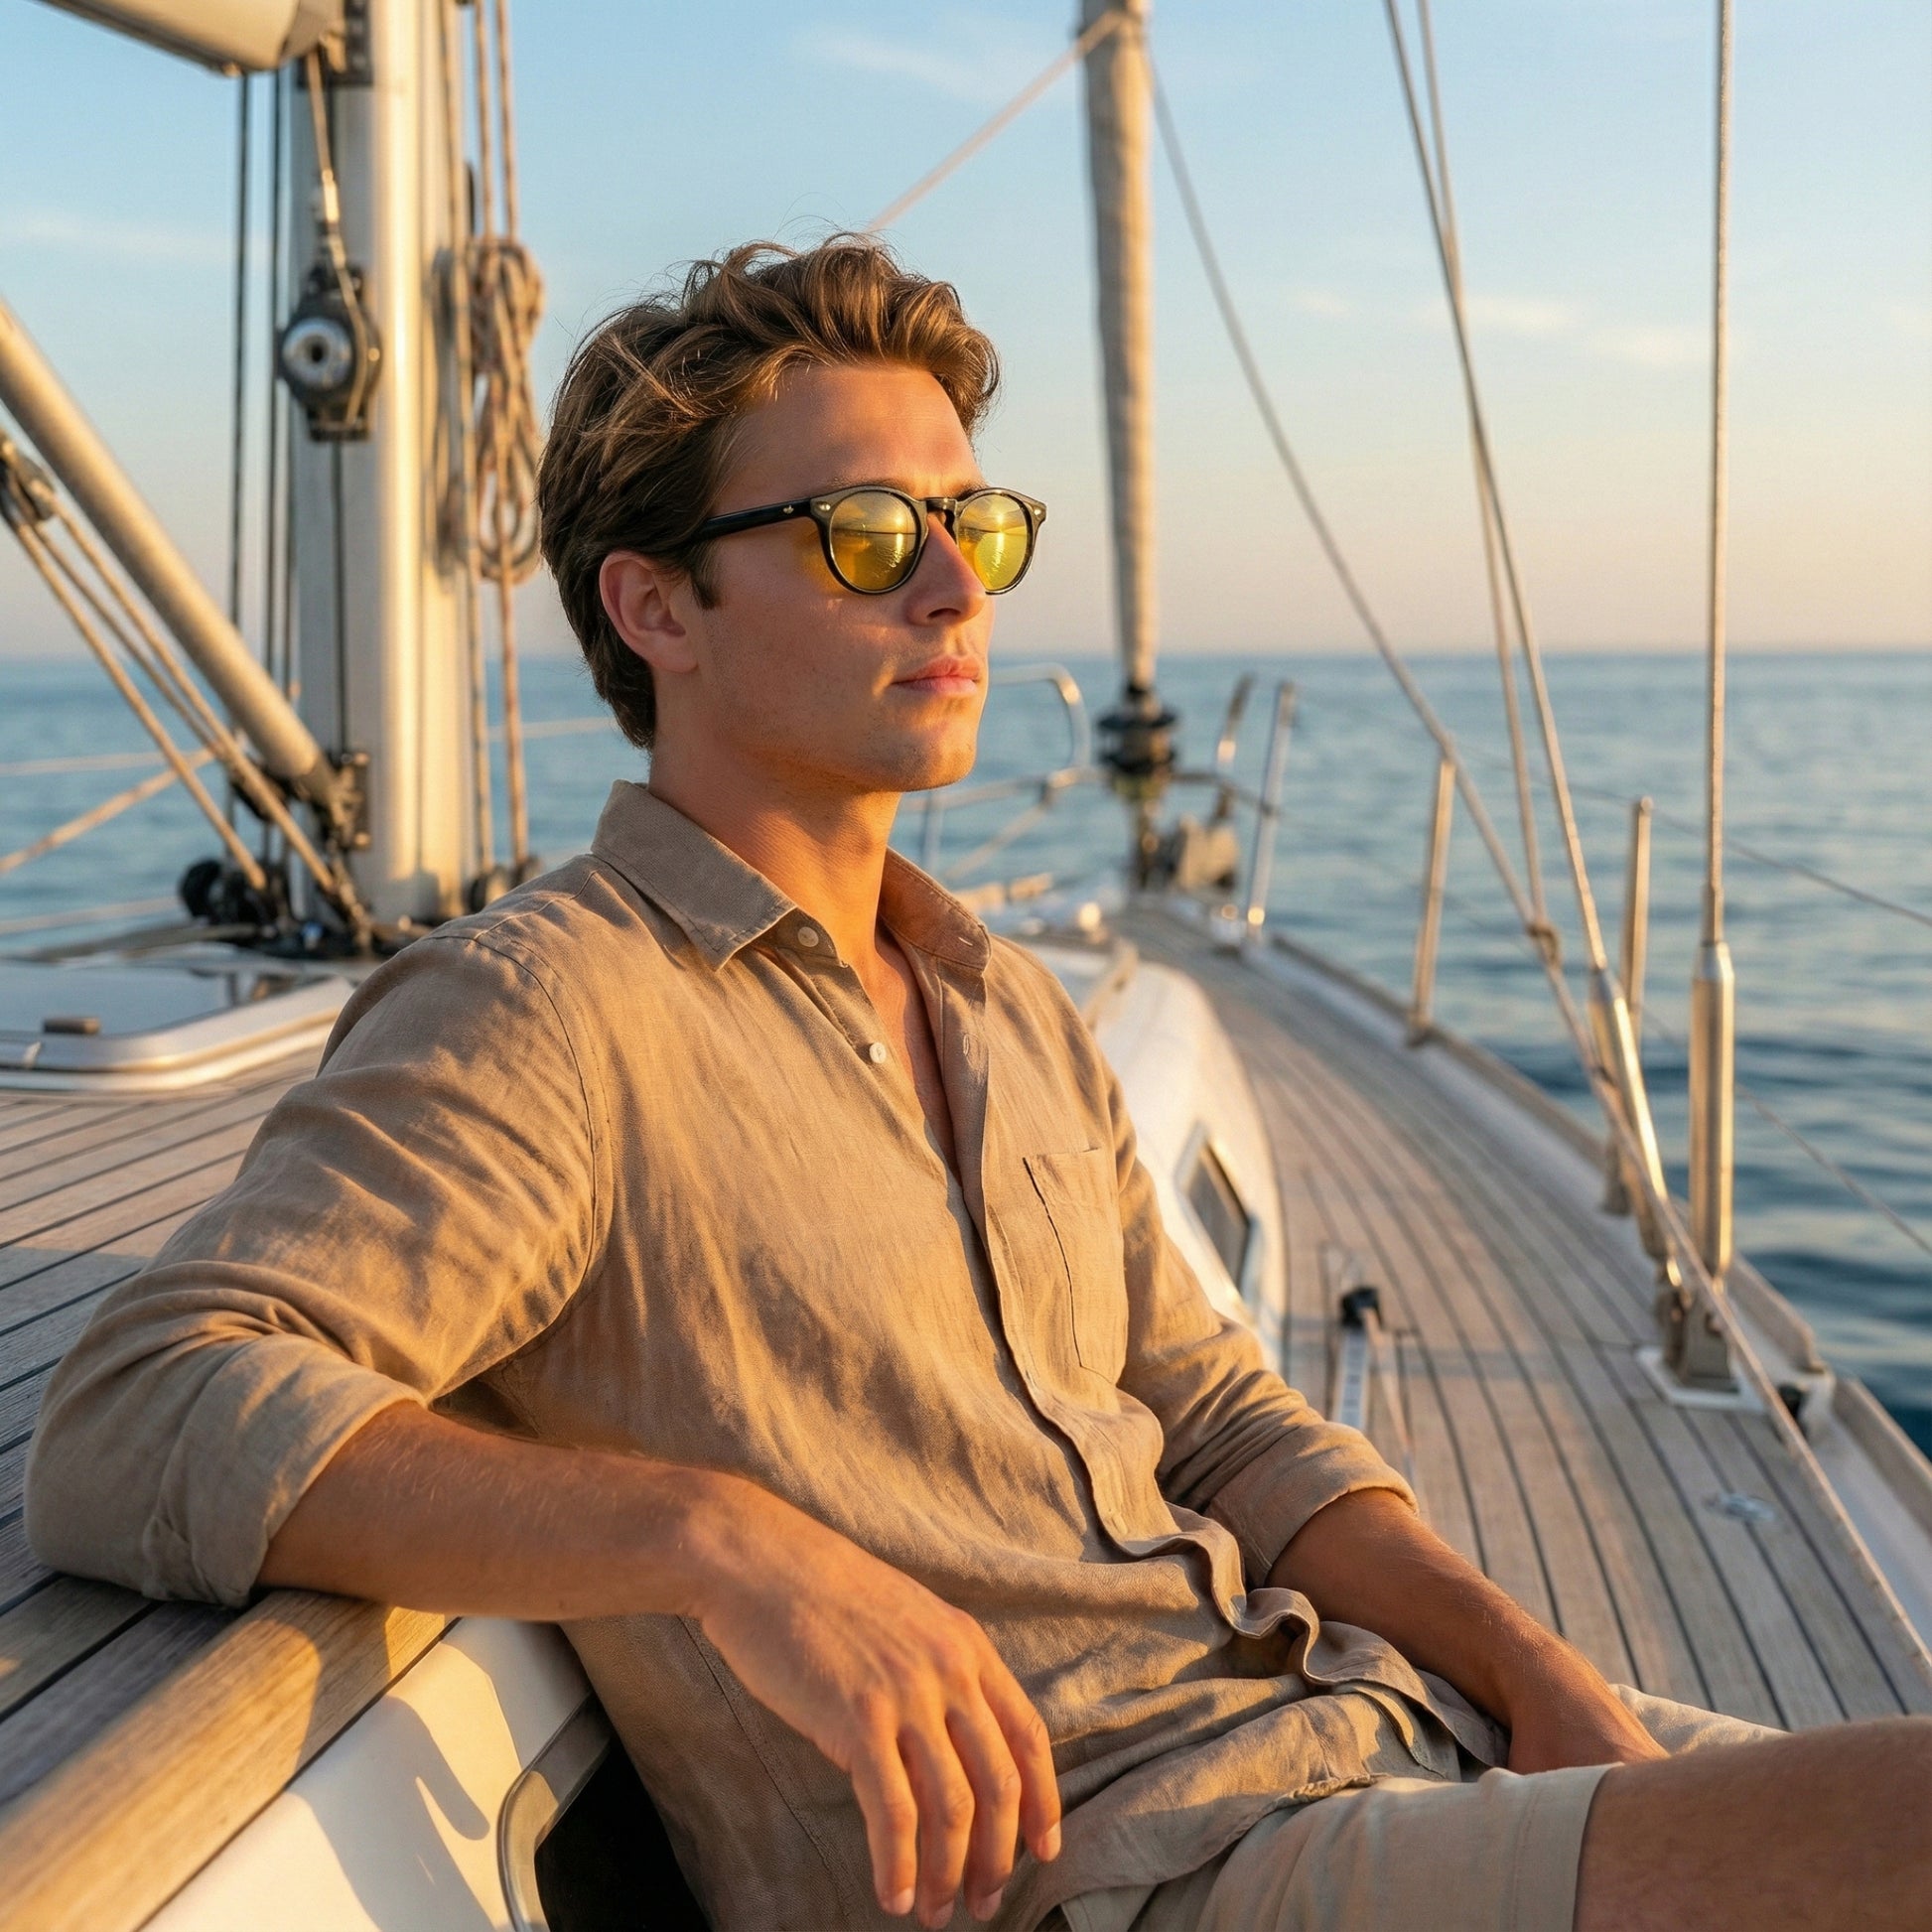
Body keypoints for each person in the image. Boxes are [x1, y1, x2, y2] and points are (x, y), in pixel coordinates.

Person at [27, 238, 1929, 1932]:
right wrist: (715, 1541)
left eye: (976, 523)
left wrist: (1527, 1662)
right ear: (655, 608)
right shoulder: (549, 1009)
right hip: (1126, 1860)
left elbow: (1220, 1421)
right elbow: (142, 1405)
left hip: (1349, 1715)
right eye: (865, 533)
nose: (954, 585)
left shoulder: (1001, 999)